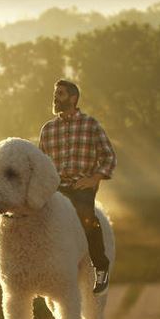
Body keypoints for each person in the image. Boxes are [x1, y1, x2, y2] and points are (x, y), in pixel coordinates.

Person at [38, 79, 116, 295]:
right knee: (40, 222)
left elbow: (109, 157)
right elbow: (41, 164)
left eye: (60, 94)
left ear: (73, 98)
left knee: (86, 217)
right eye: (55, 93)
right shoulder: (48, 129)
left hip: (82, 186)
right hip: (56, 188)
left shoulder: (91, 125)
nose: (55, 98)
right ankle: (50, 270)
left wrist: (94, 179)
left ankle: (101, 267)